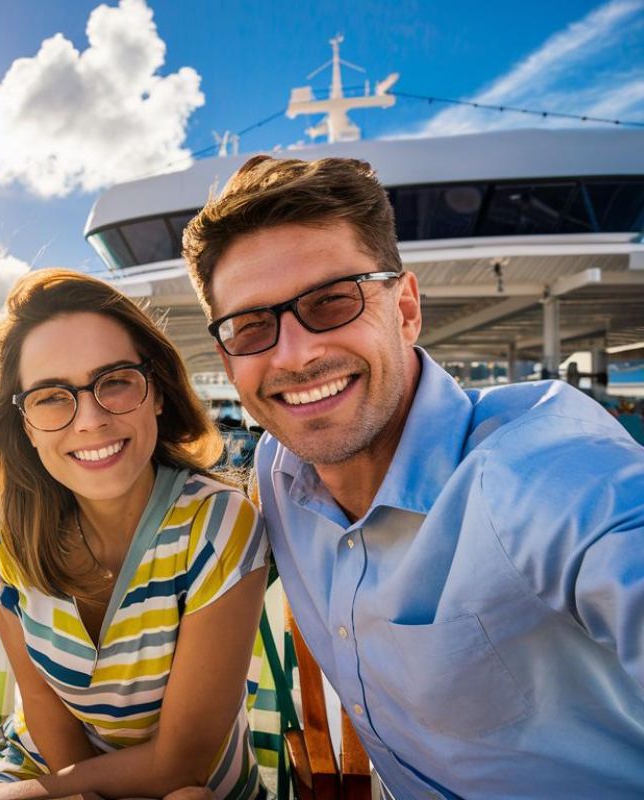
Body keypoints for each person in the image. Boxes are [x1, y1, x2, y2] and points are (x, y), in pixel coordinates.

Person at [181, 154, 644, 799]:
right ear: (229, 360)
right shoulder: (277, 472)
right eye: (251, 327)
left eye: (332, 301)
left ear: (404, 309)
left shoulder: (536, 471)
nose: (295, 354)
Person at [0, 269, 271, 800]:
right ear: (26, 424)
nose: (90, 419)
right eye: (52, 397)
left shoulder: (216, 527)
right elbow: (44, 707)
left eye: (116, 380)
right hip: (50, 768)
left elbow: (181, 765)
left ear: (156, 393)